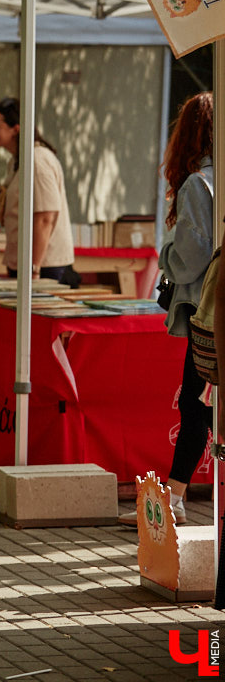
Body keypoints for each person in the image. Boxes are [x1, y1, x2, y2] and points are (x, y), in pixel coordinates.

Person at [120, 92, 214, 527]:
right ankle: (174, 496)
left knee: (196, 403)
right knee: (201, 403)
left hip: (207, 310)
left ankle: (174, 500)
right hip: (215, 306)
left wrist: (166, 255)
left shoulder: (199, 183)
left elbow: (192, 255)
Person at [0, 97, 76, 283]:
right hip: (24, 263)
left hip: (44, 267)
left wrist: (33, 269)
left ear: (16, 129)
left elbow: (45, 218)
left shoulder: (37, 159)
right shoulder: (17, 161)